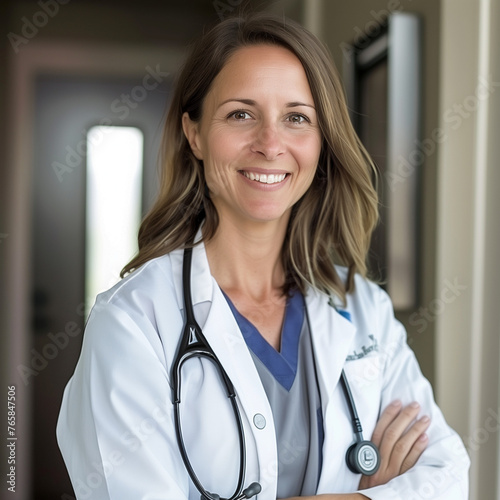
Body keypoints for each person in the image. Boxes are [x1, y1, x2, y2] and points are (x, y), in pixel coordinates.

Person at [57, 12, 470, 500]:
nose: (271, 145)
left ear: (321, 141)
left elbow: (447, 476)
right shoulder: (133, 323)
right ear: (194, 134)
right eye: (240, 114)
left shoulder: (361, 307)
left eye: (297, 117)